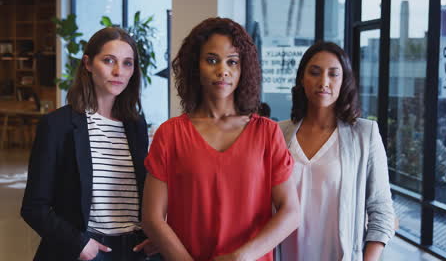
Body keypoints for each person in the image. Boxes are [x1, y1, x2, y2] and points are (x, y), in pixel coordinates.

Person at [142, 17, 300, 261]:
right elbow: (152, 219)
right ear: (196, 65)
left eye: (232, 62)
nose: (222, 70)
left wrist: (241, 257)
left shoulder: (267, 133)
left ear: (243, 68)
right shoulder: (170, 134)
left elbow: (291, 212)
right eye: (212, 60)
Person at [21, 27, 158, 261]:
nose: (118, 71)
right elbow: (34, 207)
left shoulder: (136, 125)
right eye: (108, 60)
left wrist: (155, 234)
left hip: (135, 249)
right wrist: (78, 244)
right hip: (84, 249)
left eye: (128, 63)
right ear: (87, 63)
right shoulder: (57, 125)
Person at [278, 41, 395, 261]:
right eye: (314, 72)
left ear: (344, 82)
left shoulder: (364, 134)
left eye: (333, 74)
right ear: (302, 79)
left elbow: (382, 210)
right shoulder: (278, 133)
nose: (324, 82)